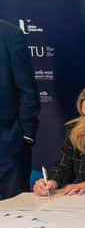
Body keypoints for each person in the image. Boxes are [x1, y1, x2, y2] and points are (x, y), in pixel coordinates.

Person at [0, 20, 40, 200]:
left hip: (7, 144)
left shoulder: (9, 34)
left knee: (15, 213)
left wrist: (25, 135)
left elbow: (27, 89)